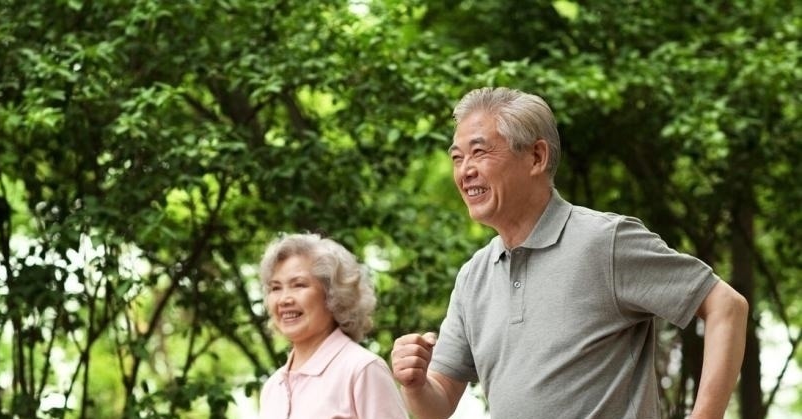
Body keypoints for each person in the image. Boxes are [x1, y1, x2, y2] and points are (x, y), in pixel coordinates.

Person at [390, 87, 749, 419]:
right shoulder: (474, 276)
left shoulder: (604, 242)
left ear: (536, 156)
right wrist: (416, 384)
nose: (465, 171)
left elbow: (727, 306)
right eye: (457, 157)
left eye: (479, 152)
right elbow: (436, 407)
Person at [258, 233, 408, 419]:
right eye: (275, 288)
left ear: (333, 295)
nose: (284, 299)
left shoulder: (362, 369)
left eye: (299, 285)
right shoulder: (273, 387)